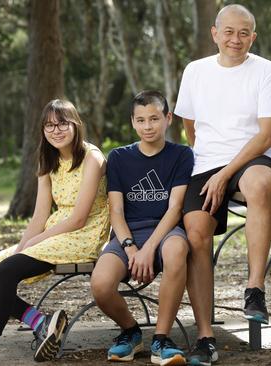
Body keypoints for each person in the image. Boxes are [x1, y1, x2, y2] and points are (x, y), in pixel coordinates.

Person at [0, 99, 111, 366]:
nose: (56, 130)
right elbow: (40, 214)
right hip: (55, 232)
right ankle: (40, 322)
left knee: (7, 270)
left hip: (84, 234)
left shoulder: (92, 157)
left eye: (63, 123)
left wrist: (36, 242)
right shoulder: (48, 159)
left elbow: (78, 218)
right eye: (49, 125)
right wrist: (22, 246)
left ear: (76, 126)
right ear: (42, 130)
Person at [174, 4, 271, 365]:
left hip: (254, 156)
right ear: (215, 33)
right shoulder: (195, 71)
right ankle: (206, 337)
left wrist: (226, 174)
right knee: (196, 233)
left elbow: (269, 133)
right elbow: (190, 127)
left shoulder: (267, 71)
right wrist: (213, 169)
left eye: (243, 33)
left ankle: (255, 289)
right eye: (229, 32)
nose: (235, 39)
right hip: (206, 163)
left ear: (253, 36)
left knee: (258, 185)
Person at [90, 91, 194, 365]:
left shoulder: (182, 155)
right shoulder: (119, 157)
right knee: (100, 284)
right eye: (141, 120)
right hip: (128, 235)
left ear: (168, 118)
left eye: (154, 119)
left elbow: (174, 209)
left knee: (176, 250)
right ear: (133, 123)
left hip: (166, 231)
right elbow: (116, 211)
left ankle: (161, 339)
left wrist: (148, 249)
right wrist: (131, 248)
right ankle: (131, 331)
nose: (148, 126)